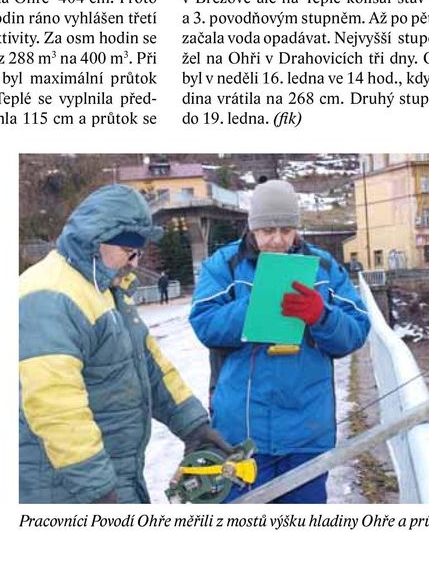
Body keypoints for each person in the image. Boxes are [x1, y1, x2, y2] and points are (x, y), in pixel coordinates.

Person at [19, 184, 230, 503]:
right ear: (96, 241)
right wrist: (98, 490)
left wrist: (194, 426)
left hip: (115, 476)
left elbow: (152, 367)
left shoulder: (103, 289)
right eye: (130, 253)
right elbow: (55, 407)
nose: (134, 263)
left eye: (139, 253)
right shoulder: (48, 296)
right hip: (64, 489)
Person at [190, 179, 371, 503]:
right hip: (241, 436)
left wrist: (322, 316)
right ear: (252, 227)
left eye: (286, 230)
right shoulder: (224, 265)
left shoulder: (324, 267)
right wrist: (256, 305)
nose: (277, 240)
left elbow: (357, 331)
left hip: (307, 433)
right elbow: (204, 324)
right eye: (268, 230)